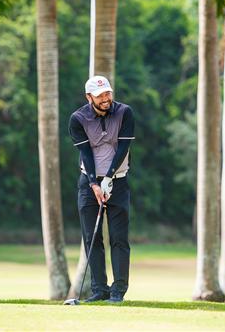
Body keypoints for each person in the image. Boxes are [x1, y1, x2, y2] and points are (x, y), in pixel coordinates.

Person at [68, 75, 135, 303]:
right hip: (88, 184)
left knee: (119, 238)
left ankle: (118, 291)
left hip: (119, 181)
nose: (106, 99)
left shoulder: (125, 112)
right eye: (100, 96)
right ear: (89, 98)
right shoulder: (78, 119)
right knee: (92, 237)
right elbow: (86, 153)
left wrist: (108, 178)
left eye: (108, 93)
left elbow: (123, 147)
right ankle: (99, 290)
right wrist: (95, 184)